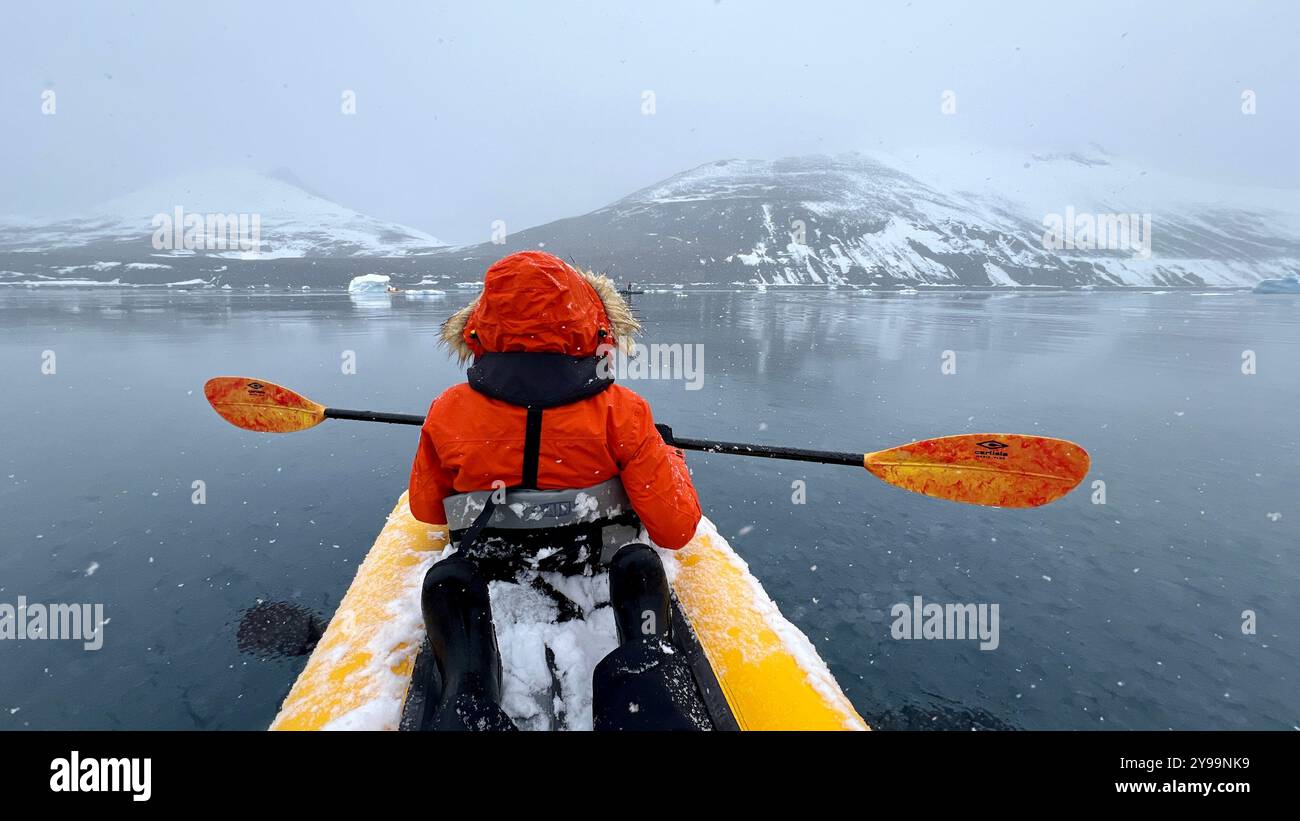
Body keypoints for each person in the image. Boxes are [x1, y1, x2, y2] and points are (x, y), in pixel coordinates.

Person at [407, 251, 706, 731]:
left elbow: (426, 510)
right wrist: (668, 455)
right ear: (593, 324)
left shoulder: (447, 411)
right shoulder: (624, 411)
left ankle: (469, 689)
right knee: (642, 567)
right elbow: (675, 528)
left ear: (481, 327)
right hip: (594, 561)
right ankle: (643, 675)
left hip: (493, 563)